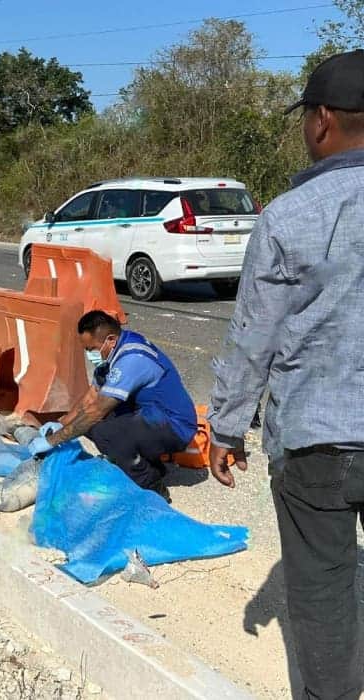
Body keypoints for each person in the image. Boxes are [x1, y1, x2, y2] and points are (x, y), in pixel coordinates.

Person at [207, 50, 364, 700]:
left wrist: (224, 427)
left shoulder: (287, 217)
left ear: (323, 121)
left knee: (323, 598)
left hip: (316, 445)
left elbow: (253, 339)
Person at [27, 310, 197, 500]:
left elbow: (95, 412)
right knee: (90, 424)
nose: (89, 355)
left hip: (175, 425)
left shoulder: (131, 360)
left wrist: (53, 441)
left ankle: (152, 487)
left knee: (102, 431)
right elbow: (92, 397)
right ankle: (149, 465)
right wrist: (61, 422)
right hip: (150, 415)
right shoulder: (113, 355)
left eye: (91, 349)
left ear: (111, 340)